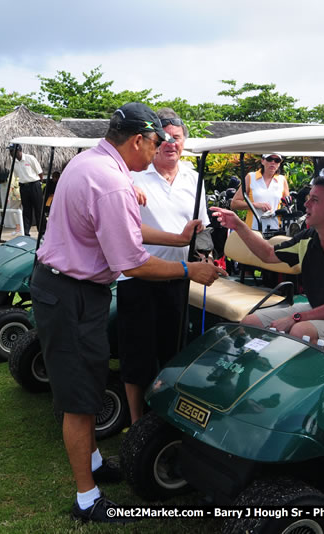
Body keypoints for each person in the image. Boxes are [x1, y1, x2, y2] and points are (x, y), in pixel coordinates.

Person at [30, 103, 225, 524]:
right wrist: (190, 268)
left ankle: (96, 463)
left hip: (70, 289)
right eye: (156, 142)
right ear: (138, 139)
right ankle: (88, 499)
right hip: (72, 293)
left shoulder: (93, 163)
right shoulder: (113, 182)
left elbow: (126, 226)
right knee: (80, 398)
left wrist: (175, 237)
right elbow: (134, 261)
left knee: (88, 380)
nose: (158, 150)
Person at [118, 108, 211, 425]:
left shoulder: (193, 178)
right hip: (138, 277)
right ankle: (136, 422)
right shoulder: (133, 175)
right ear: (154, 140)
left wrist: (205, 256)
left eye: (178, 137)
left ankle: (167, 417)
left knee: (173, 352)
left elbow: (201, 229)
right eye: (166, 137)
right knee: (136, 356)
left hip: (178, 277)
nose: (171, 143)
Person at [212, 177, 324, 344]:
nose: (306, 205)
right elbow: (268, 254)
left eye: (314, 200)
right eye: (308, 199)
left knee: (300, 331)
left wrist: (296, 318)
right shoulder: (307, 239)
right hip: (316, 308)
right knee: (250, 323)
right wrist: (238, 226)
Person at [230, 153, 289, 233]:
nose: (273, 162)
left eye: (277, 160)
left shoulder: (282, 180)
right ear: (262, 161)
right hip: (253, 229)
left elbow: (288, 205)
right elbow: (234, 203)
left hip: (275, 229)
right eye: (269, 159)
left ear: (279, 164)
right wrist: (255, 205)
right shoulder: (251, 177)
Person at [7, 143, 44, 236]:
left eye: (12, 151)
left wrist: (39, 183)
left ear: (18, 150)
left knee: (38, 209)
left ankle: (43, 232)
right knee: (26, 210)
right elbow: (17, 176)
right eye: (10, 151)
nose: (10, 153)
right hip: (23, 186)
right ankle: (26, 232)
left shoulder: (30, 158)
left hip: (34, 185)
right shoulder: (13, 162)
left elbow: (40, 173)